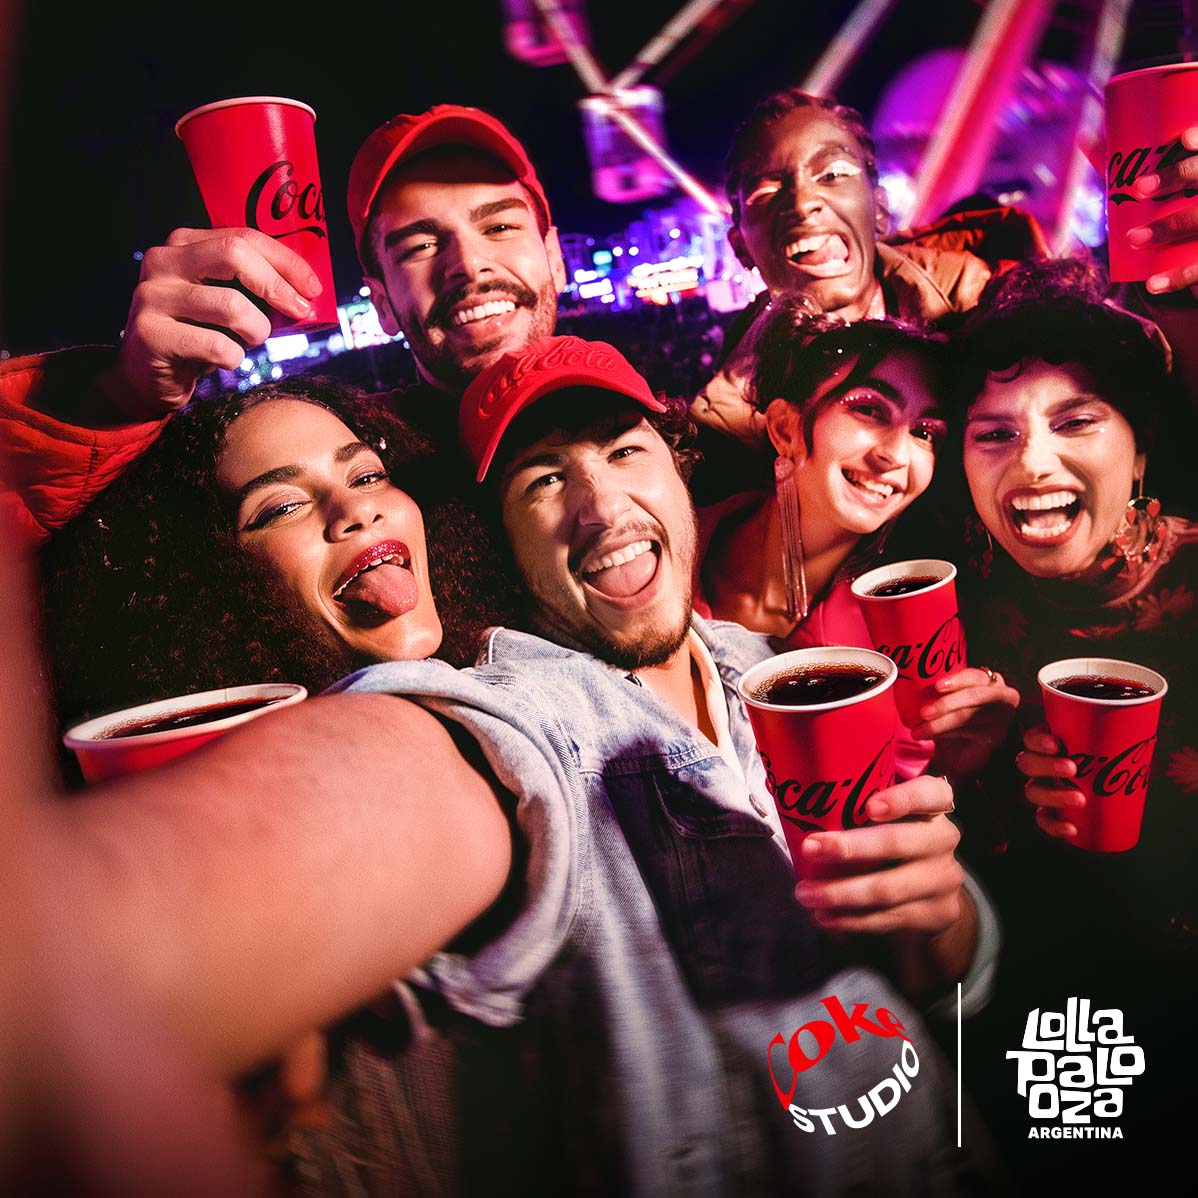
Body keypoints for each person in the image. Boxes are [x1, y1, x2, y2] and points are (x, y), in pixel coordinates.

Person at [27, 334, 1007, 1196]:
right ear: (496, 539)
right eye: (542, 479)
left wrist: (944, 925)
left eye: (627, 451)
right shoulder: (519, 723)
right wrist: (143, 956)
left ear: (679, 468)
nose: (600, 502)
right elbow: (392, 780)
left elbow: (933, 975)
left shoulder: (773, 675)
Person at [0, 104, 568, 544]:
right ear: (383, 304)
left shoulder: (657, 430)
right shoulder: (340, 465)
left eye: (499, 229)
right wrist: (120, 402)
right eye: (420, 245)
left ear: (555, 257)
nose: (467, 266)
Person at [946, 257, 1198, 1189]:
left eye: (1078, 421)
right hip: (1049, 1019)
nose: (1034, 462)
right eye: (994, 432)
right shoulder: (943, 612)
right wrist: (970, 784)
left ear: (1140, 450)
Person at [38, 375, 519, 730]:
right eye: (284, 507)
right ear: (214, 581)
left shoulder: (521, 668)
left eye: (367, 476)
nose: (354, 508)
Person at [694, 299, 1019, 781]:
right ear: (785, 428)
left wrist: (965, 755)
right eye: (868, 409)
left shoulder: (911, 631)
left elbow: (901, 792)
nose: (896, 455)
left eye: (925, 433)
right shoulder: (667, 559)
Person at [688, 88, 1050, 500]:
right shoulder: (725, 426)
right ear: (740, 247)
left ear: (879, 210)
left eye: (833, 174)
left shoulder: (982, 305)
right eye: (765, 194)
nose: (803, 204)